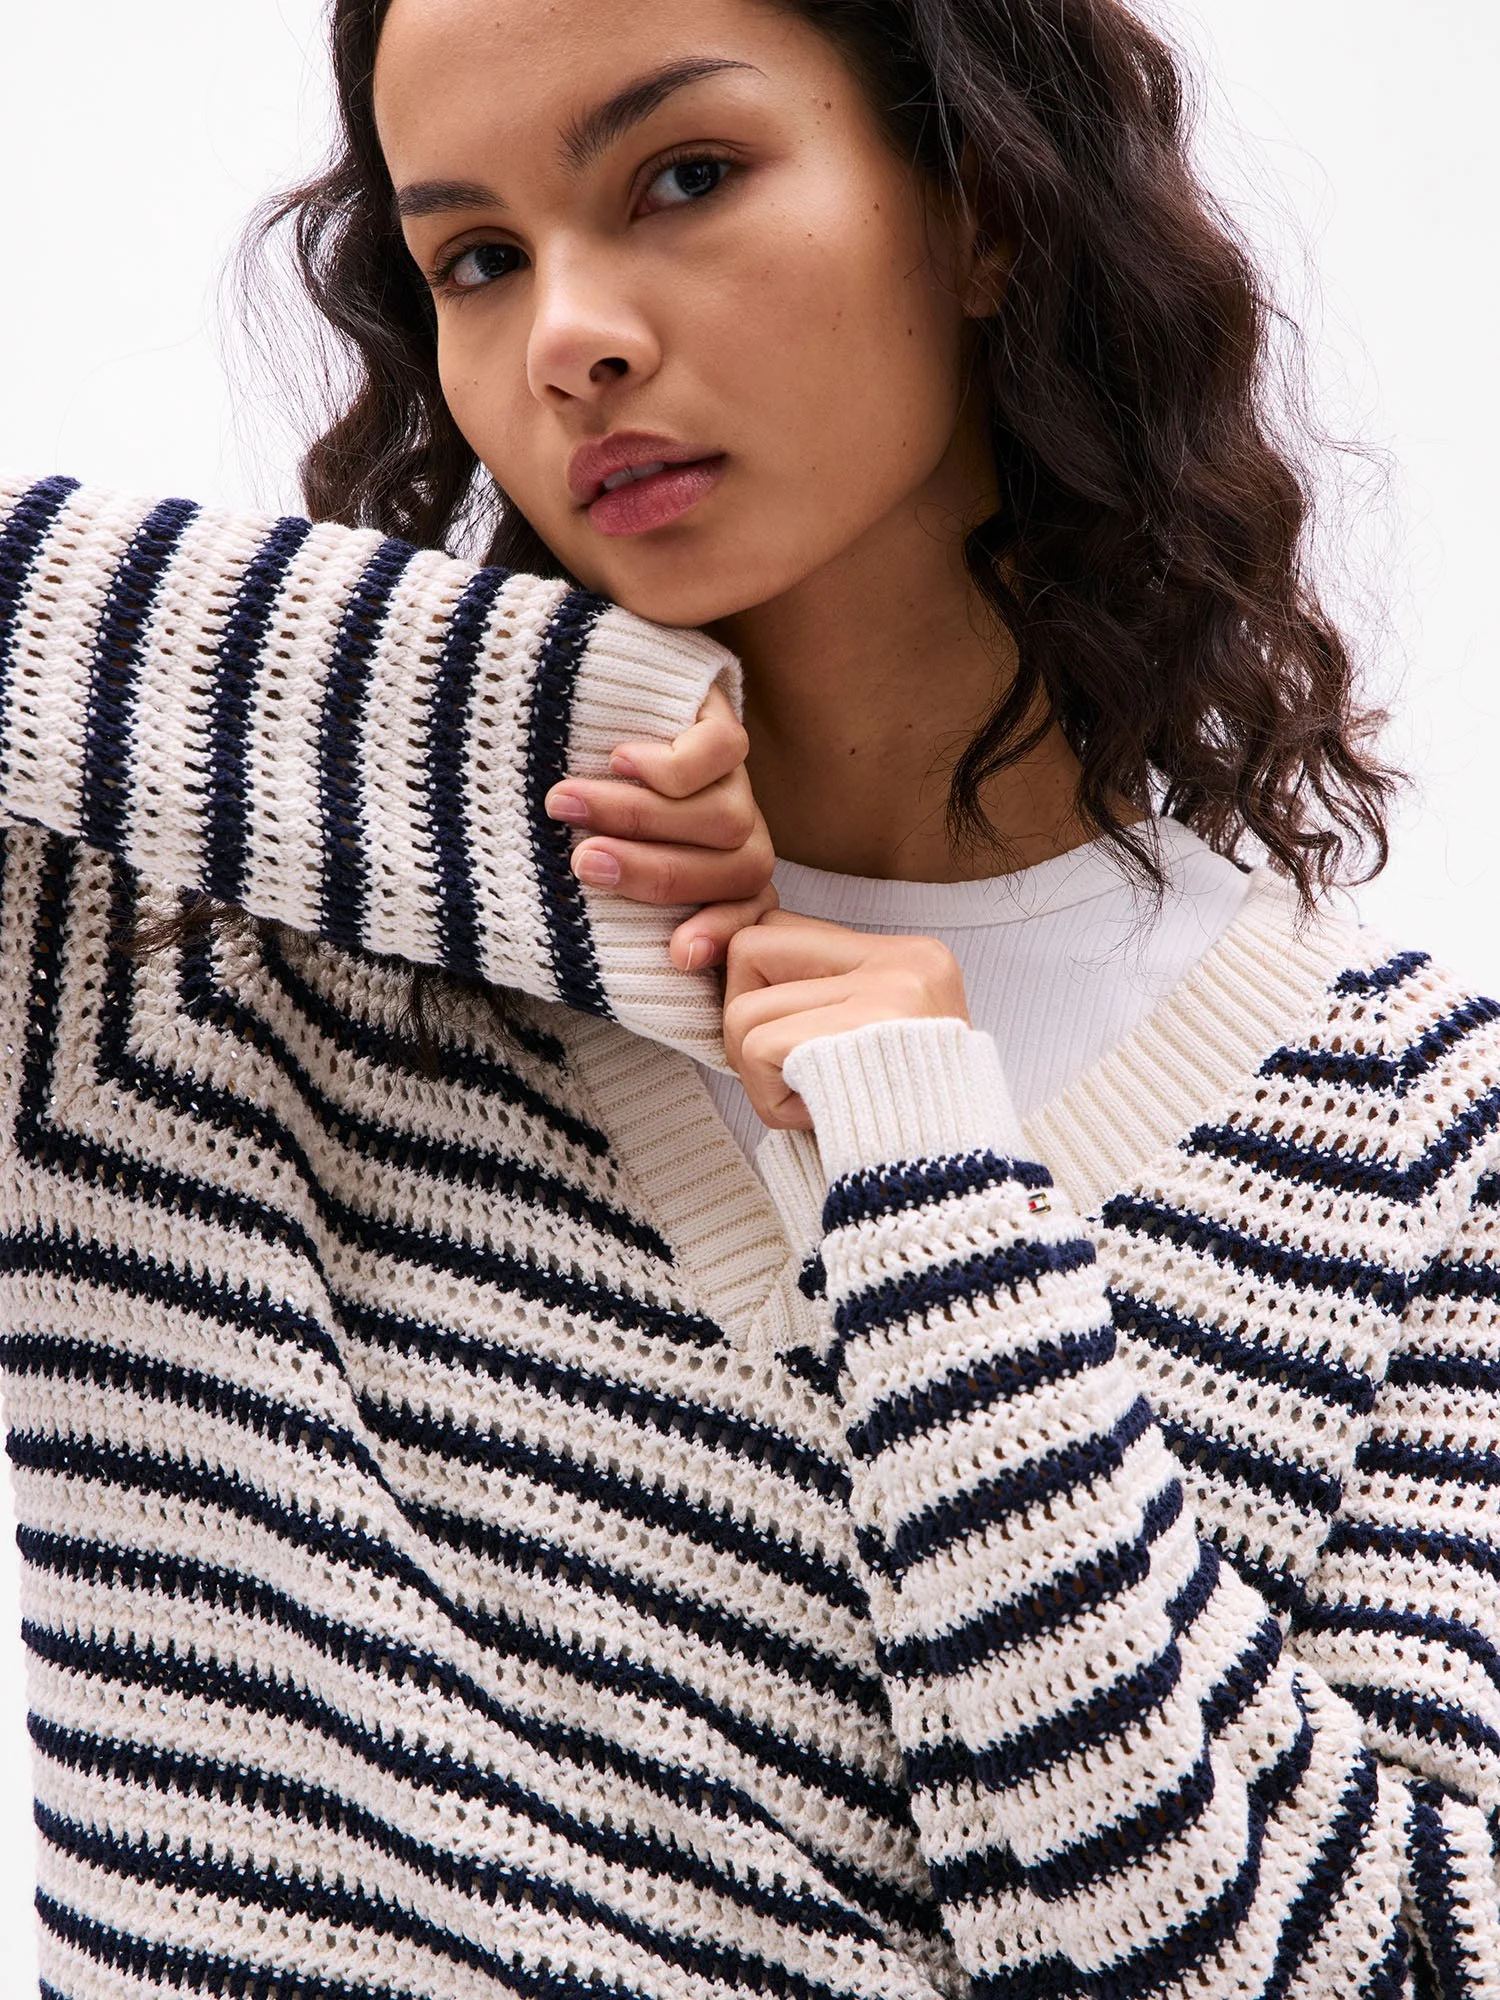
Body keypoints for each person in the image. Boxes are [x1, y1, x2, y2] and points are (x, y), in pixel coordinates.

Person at [0, 0, 1495, 1994]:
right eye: (477, 257)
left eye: (684, 177)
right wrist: (544, 742)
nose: (567, 335)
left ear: (984, 208)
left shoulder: (1423, 1139)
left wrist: (938, 1215)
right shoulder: (180, 984)